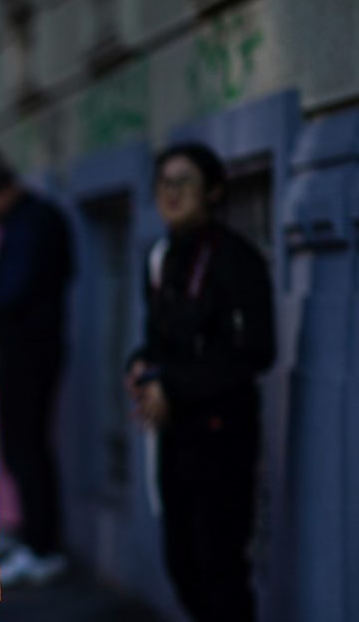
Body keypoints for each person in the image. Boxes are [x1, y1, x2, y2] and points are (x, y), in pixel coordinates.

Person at [125, 142, 275, 622]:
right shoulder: (161, 255)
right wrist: (141, 365)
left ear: (213, 191)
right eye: (164, 183)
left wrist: (173, 384)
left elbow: (257, 351)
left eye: (184, 181)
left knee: (220, 567)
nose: (171, 192)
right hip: (174, 433)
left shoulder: (238, 258)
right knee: (182, 562)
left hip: (222, 434)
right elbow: (158, 340)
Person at [0, 149, 73, 585]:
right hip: (26, 346)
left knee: (27, 447)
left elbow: (11, 289)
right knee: (22, 445)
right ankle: (34, 538)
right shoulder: (32, 219)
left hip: (31, 349)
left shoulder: (30, 223)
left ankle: (42, 545)